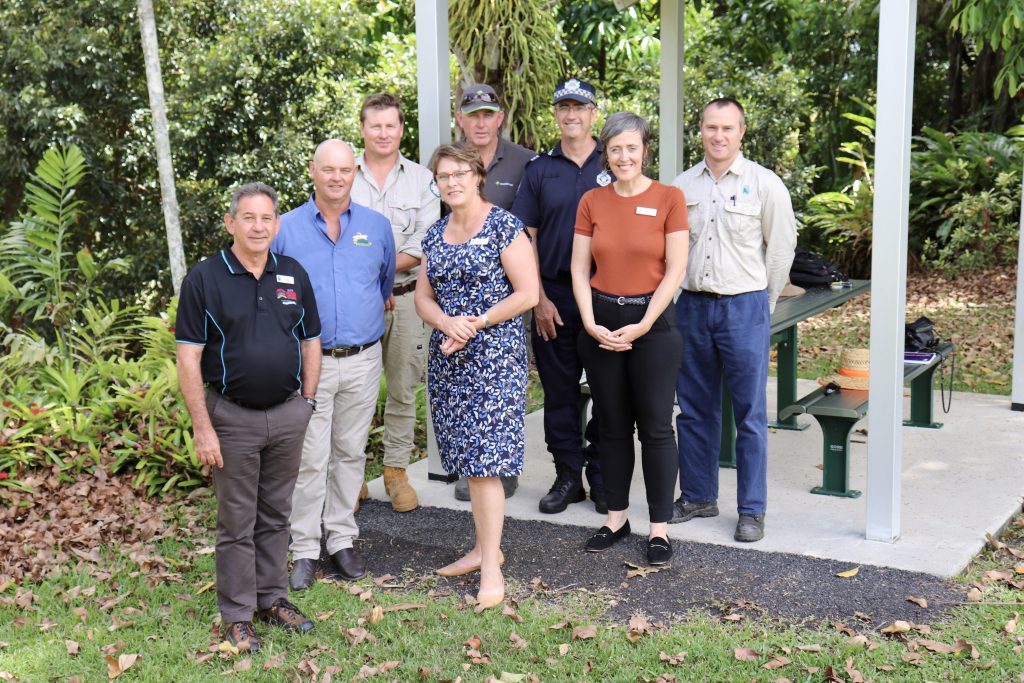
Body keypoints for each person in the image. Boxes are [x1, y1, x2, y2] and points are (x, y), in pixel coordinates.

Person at [175, 182, 320, 652]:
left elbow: (310, 340)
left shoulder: (293, 274)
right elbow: (188, 358)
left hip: (287, 415)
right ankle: (237, 614)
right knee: (236, 521)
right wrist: (203, 427)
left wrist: (308, 402)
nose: (259, 227)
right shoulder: (204, 279)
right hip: (231, 418)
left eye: (267, 218)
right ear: (231, 223)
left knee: (277, 514)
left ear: (277, 224)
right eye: (249, 218)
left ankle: (272, 597)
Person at [414, 142, 538, 610]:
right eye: (444, 176)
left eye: (460, 173)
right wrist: (446, 322)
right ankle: (485, 547)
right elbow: (423, 297)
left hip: (494, 358)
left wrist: (476, 322)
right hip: (449, 357)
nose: (452, 182)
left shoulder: (504, 227)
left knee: (486, 465)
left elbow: (528, 293)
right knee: (466, 460)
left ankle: (491, 568)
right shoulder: (435, 234)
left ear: (478, 175)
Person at [670, 98, 797, 543]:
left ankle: (751, 510)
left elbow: (780, 252)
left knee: (749, 414)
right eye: (710, 127)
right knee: (693, 408)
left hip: (744, 307)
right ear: (700, 131)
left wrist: (762, 301)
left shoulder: (765, 185)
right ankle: (699, 495)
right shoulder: (681, 186)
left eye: (727, 128)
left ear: (742, 132)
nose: (718, 136)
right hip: (691, 308)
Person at [274, 139, 396, 589]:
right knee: (310, 459)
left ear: (354, 172)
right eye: (328, 170)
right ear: (313, 171)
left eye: (345, 170)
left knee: (350, 453)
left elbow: (383, 284)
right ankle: (304, 549)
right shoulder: (285, 229)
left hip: (363, 361)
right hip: (309, 362)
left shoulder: (376, 227)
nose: (337, 178)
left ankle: (341, 539)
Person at [571, 112, 689, 566]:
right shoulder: (592, 202)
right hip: (599, 323)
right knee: (611, 426)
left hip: (653, 326)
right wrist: (588, 321)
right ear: (606, 153)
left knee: (656, 428)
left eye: (632, 148)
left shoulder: (669, 198)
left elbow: (675, 269)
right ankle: (616, 519)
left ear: (645, 151)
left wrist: (641, 325)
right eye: (615, 148)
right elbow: (580, 269)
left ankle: (658, 529)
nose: (624, 156)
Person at [510, 77, 607, 515]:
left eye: (580, 107)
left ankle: (602, 475)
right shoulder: (539, 169)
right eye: (564, 107)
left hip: (607, 296)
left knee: (609, 392)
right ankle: (569, 475)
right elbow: (524, 237)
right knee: (560, 393)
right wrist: (539, 301)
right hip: (554, 297)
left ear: (593, 113)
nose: (571, 115)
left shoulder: (617, 159)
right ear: (556, 114)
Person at [351, 93, 440, 513]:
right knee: (356, 389)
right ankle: (351, 478)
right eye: (375, 125)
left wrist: (383, 274)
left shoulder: (422, 179)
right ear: (363, 128)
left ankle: (395, 472)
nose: (383, 133)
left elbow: (426, 241)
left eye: (391, 125)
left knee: (403, 388)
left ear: (402, 129)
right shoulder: (343, 177)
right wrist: (371, 278)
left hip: (404, 297)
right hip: (355, 301)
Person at [451, 83, 535, 501]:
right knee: (463, 387)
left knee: (503, 388)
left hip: (509, 295)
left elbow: (535, 227)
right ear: (460, 119)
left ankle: (501, 470)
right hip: (459, 298)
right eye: (472, 114)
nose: (480, 122)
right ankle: (473, 469)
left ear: (499, 118)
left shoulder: (525, 162)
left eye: (488, 114)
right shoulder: (449, 162)